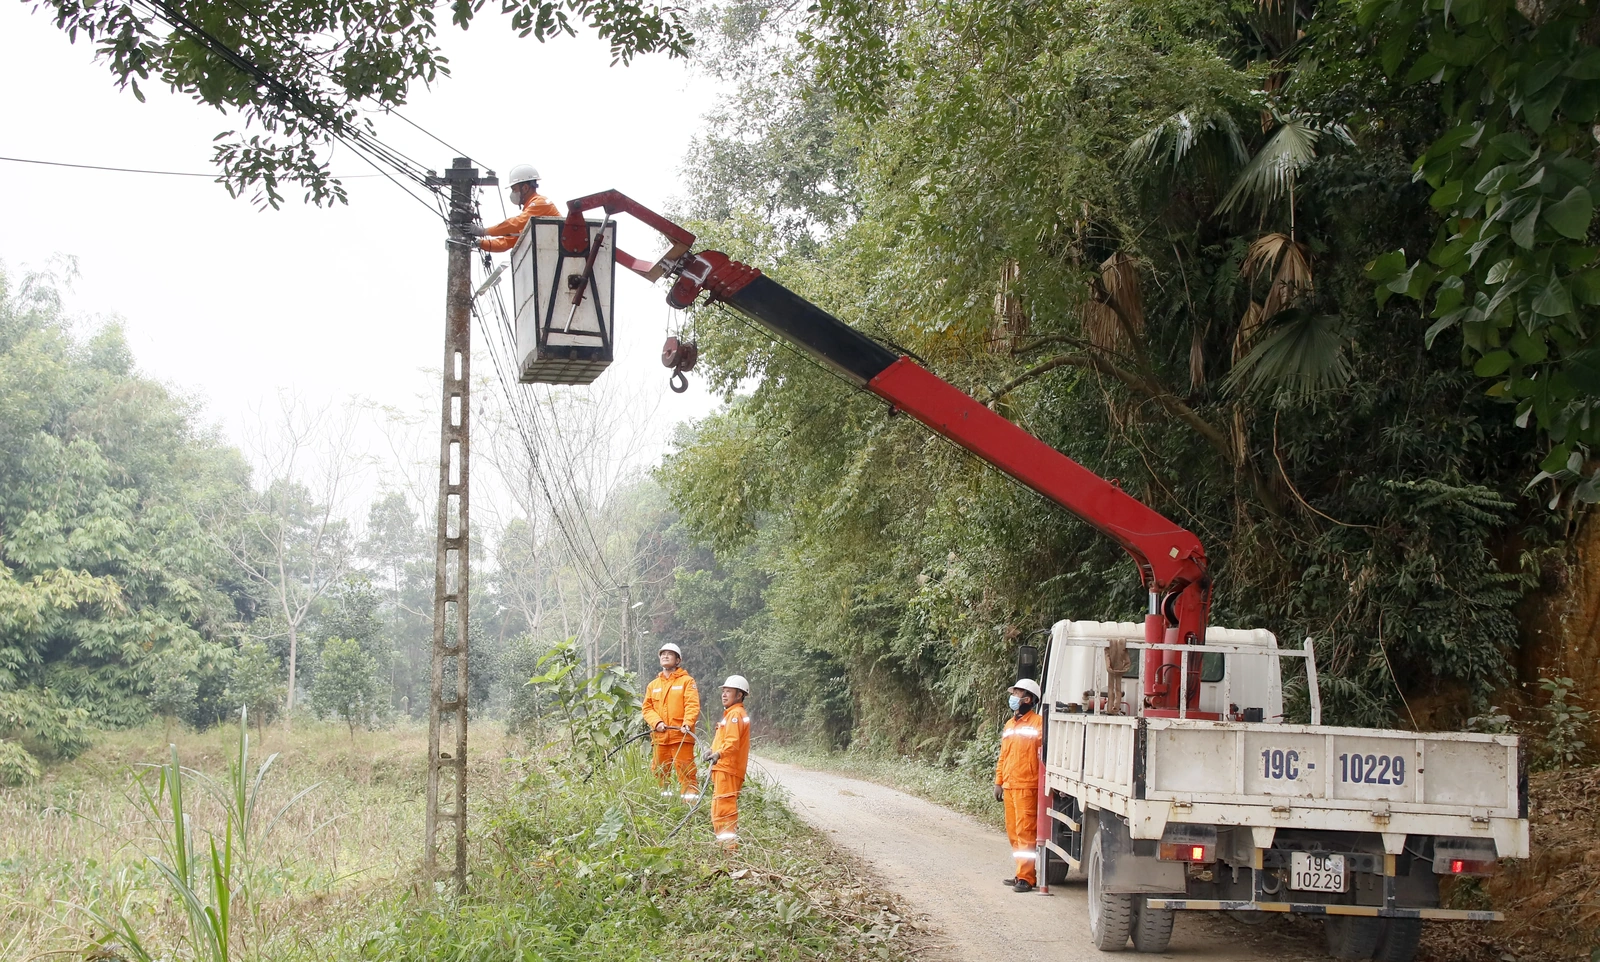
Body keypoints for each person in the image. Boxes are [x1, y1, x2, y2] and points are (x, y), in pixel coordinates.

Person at [994, 677, 1043, 892]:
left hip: (1027, 786)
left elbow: (1043, 756)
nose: (1013, 698)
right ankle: (1020, 873)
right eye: (1013, 694)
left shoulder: (1038, 723)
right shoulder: (1009, 725)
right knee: (1013, 832)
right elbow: (1003, 756)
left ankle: (1027, 877)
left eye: (1017, 694)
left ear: (1028, 699)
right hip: (1010, 786)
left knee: (1025, 832)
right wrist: (998, 782)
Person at [642, 642, 701, 801]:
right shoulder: (653, 685)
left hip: (681, 737)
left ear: (678, 660)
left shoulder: (687, 681)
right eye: (663, 654)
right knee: (659, 774)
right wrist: (657, 723)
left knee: (686, 773)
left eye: (670, 654)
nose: (665, 656)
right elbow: (647, 708)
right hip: (660, 738)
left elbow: (692, 704)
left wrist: (687, 723)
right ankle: (663, 804)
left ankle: (690, 807)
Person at [703, 675, 751, 849]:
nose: (724, 694)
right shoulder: (731, 714)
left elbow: (732, 743)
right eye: (723, 691)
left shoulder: (736, 715)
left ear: (739, 695)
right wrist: (712, 750)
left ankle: (728, 849)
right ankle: (723, 844)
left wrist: (719, 754)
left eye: (728, 691)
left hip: (728, 769)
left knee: (724, 809)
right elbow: (724, 740)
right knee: (719, 807)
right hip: (724, 768)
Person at [468, 163, 559, 253]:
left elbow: (515, 223)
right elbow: (507, 242)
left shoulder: (540, 203)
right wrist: (480, 243)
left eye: (514, 189)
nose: (512, 193)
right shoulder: (529, 213)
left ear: (525, 188)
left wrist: (483, 231)